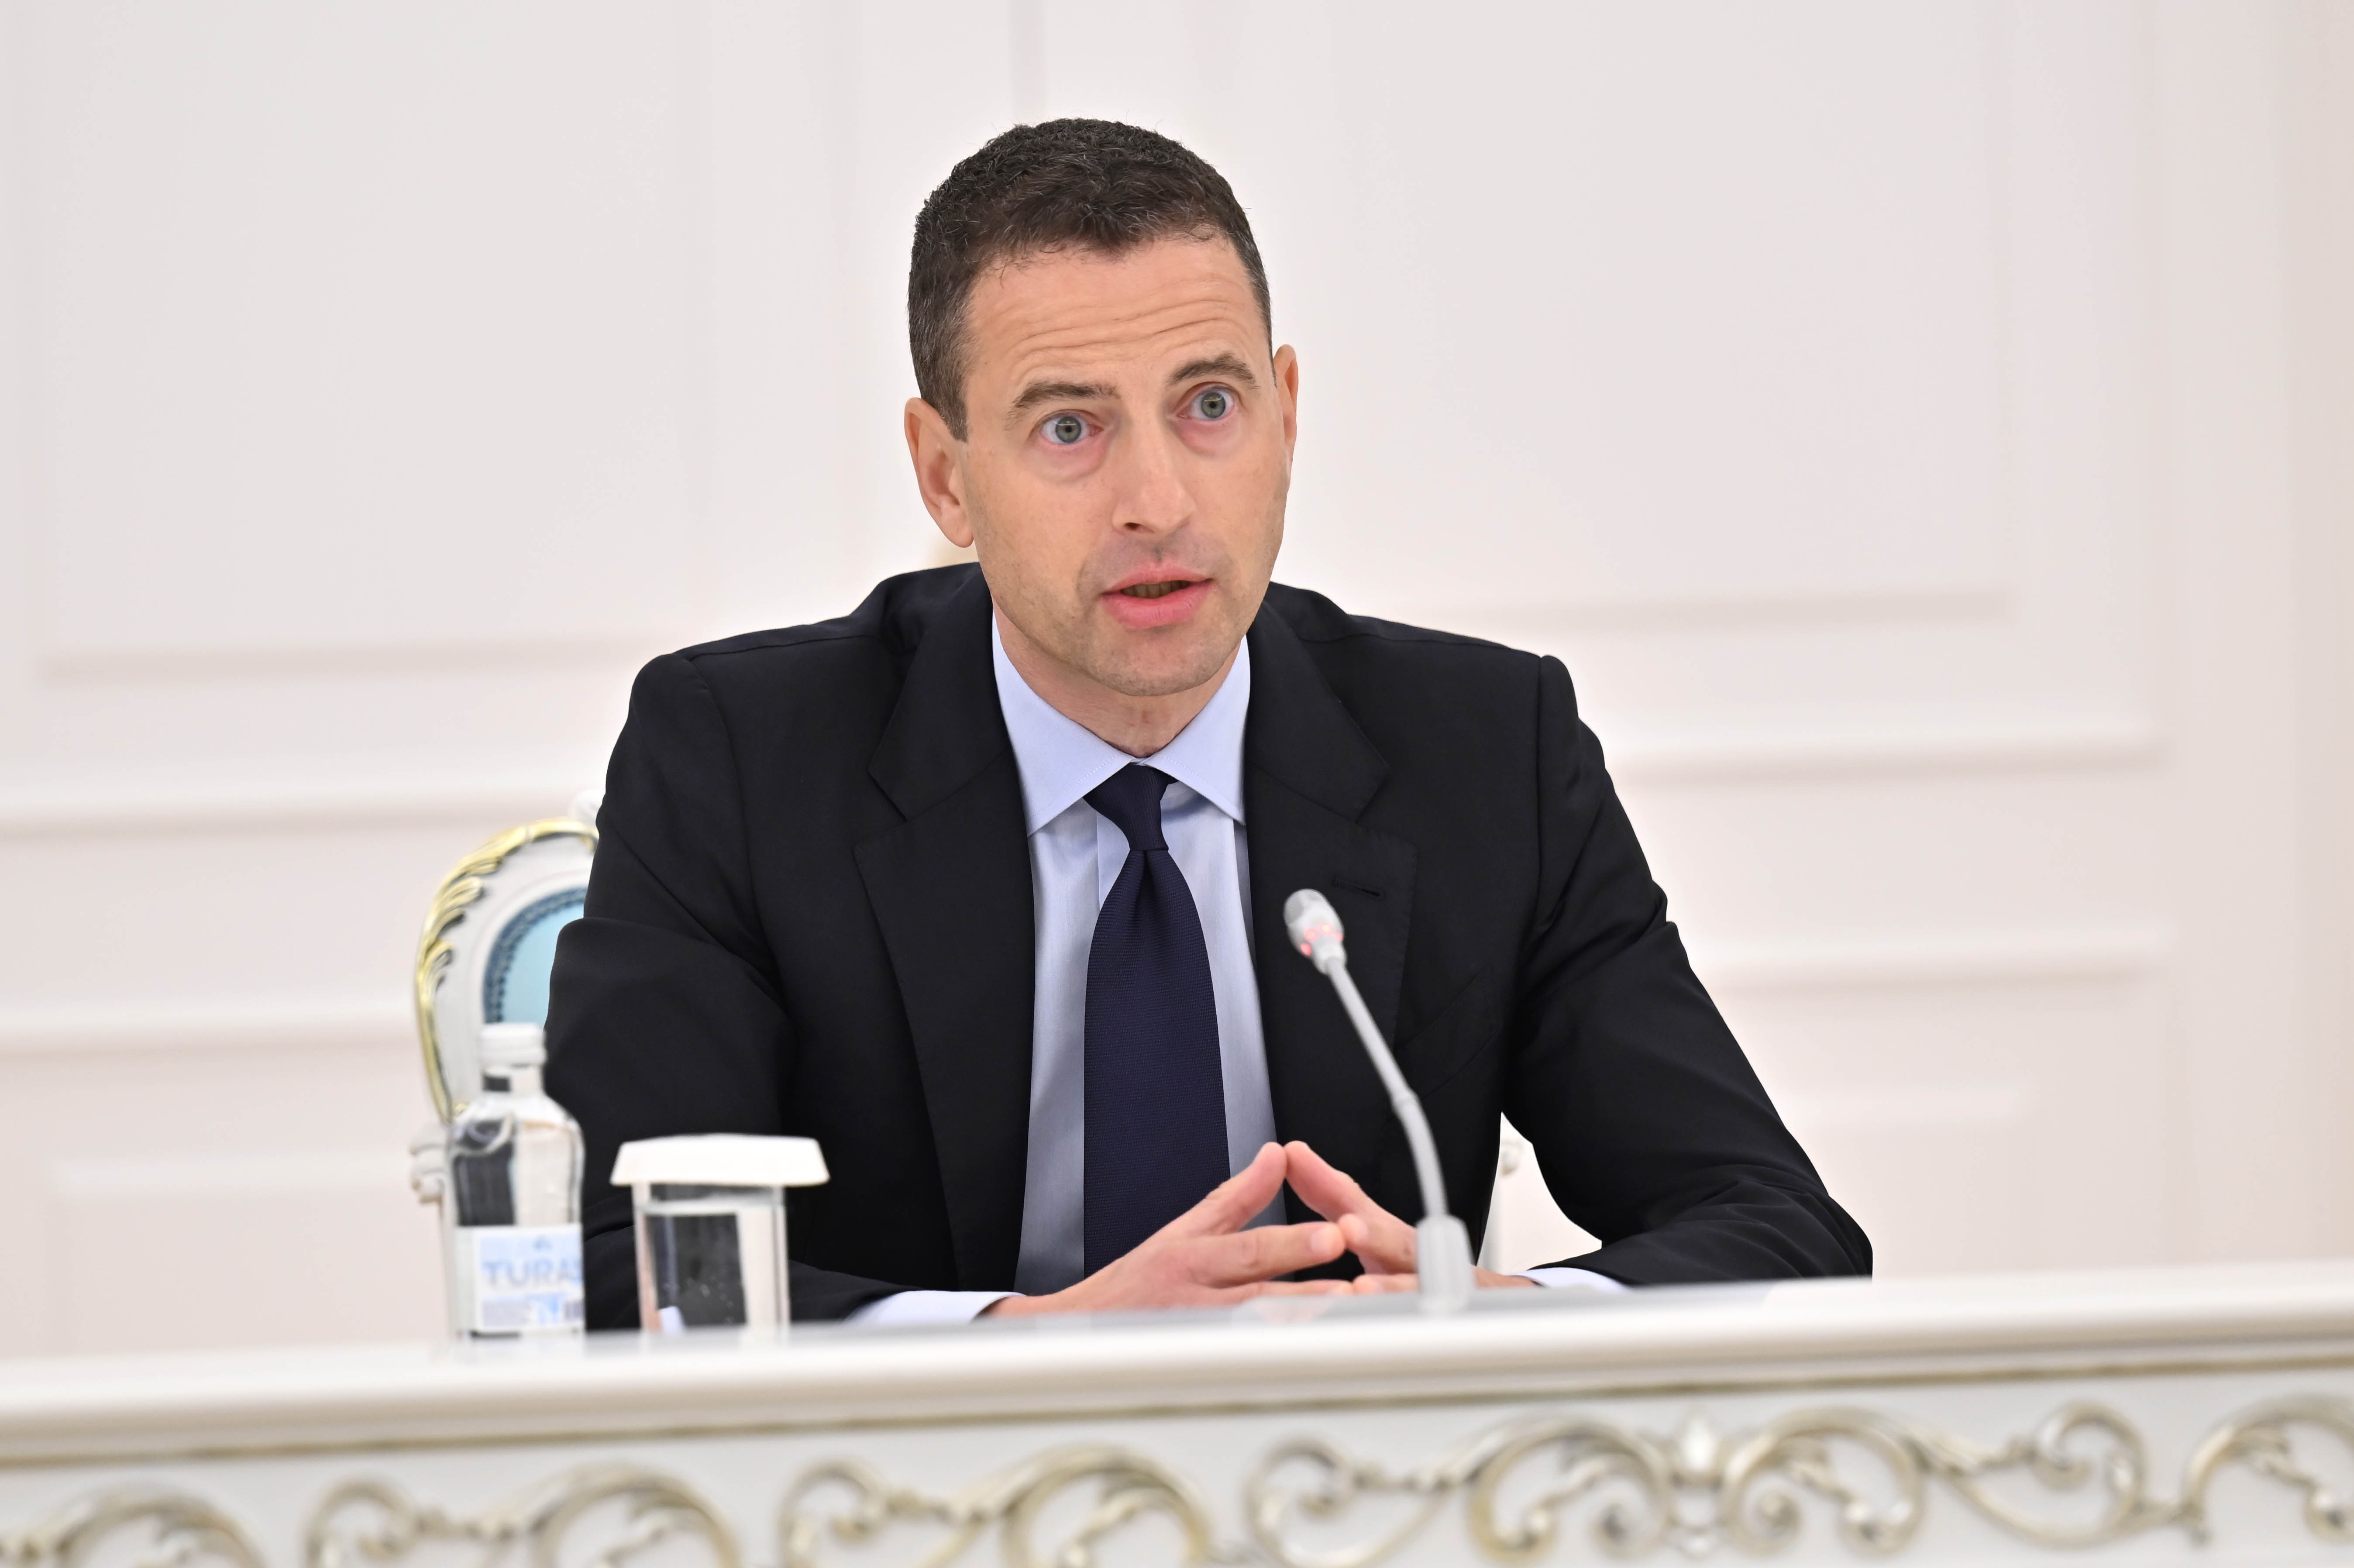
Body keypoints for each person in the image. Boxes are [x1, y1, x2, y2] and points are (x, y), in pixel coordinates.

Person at [546, 119, 1869, 1326]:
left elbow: (1778, 1231)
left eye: (1211, 407)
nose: (1159, 501)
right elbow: (607, 1267)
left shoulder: (1488, 750)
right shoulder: (737, 755)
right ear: (947, 477)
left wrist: (1494, 1317)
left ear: (1287, 416)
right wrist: (1023, 1345)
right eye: (1071, 427)